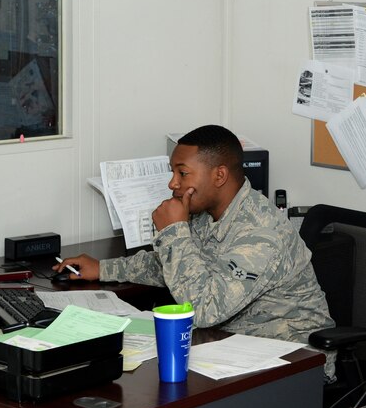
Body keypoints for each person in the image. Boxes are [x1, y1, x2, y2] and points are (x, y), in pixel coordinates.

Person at [55, 125, 333, 344]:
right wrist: (103, 268)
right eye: (172, 172)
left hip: (290, 359)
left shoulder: (262, 234)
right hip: (234, 345)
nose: (172, 183)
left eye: (182, 173)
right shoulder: (208, 214)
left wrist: (174, 230)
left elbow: (205, 310)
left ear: (219, 176)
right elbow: (175, 266)